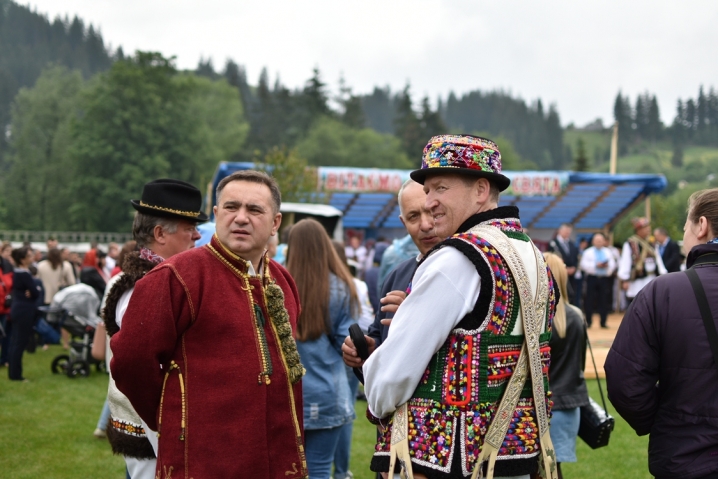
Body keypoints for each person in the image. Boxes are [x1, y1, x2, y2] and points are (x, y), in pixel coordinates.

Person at [362, 134, 558, 479]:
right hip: (516, 455)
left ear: (481, 190)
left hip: (447, 462)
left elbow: (394, 372)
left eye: (441, 188)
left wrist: (376, 400)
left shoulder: (456, 258)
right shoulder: (531, 253)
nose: (430, 202)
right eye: (428, 191)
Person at [111, 170, 308, 478]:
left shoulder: (282, 280)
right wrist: (174, 418)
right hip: (203, 460)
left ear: (275, 223)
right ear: (216, 214)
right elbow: (131, 361)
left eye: (254, 209)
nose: (241, 217)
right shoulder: (176, 276)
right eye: (231, 207)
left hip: (277, 459)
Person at [605, 188, 718, 479]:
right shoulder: (657, 280)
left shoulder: (663, 292)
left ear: (702, 226)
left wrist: (662, 419)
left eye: (686, 225)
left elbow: (624, 379)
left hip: (687, 455)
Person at [100, 179, 205, 477]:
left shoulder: (154, 281)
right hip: (153, 437)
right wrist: (165, 425)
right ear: (159, 234)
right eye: (189, 227)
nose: (197, 235)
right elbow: (136, 366)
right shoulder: (144, 288)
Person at [287, 220, 359, 479]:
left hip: (287, 396)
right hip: (327, 391)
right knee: (318, 469)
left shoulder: (275, 285)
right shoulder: (341, 287)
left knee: (286, 469)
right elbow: (347, 345)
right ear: (325, 246)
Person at [544, 253, 589, 479]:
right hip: (569, 404)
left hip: (544, 405)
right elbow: (580, 363)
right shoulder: (577, 316)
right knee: (554, 469)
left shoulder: (540, 318)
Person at [7, 247, 41, 381]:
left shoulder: (18, 273)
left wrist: (33, 290)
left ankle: (13, 372)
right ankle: (16, 374)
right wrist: (35, 289)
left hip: (18, 309)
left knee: (16, 341)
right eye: (29, 256)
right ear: (22, 260)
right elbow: (36, 292)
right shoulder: (24, 274)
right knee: (20, 342)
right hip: (24, 310)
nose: (32, 258)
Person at [617, 217, 667, 304]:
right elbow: (625, 262)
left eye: (648, 226)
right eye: (645, 227)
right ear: (638, 230)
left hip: (652, 279)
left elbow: (658, 260)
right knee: (637, 302)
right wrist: (625, 279)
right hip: (637, 281)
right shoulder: (630, 243)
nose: (648, 229)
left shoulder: (652, 243)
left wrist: (663, 274)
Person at [579, 232, 617, 328]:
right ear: (593, 241)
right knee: (589, 299)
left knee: (604, 299)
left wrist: (606, 267)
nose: (599, 242)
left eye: (600, 240)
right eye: (597, 240)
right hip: (592, 277)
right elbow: (583, 265)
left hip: (604, 278)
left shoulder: (608, 252)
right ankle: (588, 321)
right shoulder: (588, 252)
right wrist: (596, 265)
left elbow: (613, 264)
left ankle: (603, 321)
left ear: (604, 241)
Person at [549, 223, 581, 306]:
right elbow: (551, 259)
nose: (567, 233)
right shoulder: (553, 244)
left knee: (571, 295)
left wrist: (574, 268)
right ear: (560, 231)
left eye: (568, 232)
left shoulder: (572, 244)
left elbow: (576, 258)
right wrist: (563, 269)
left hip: (571, 275)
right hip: (559, 274)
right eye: (565, 231)